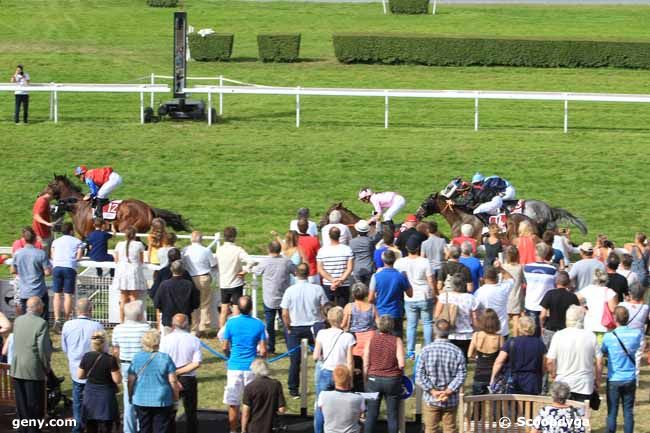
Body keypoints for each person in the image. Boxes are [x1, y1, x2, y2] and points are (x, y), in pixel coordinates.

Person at [281, 263, 328, 398]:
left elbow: (284, 313)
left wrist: (288, 326)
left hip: (295, 327)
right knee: (321, 357)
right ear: (308, 274)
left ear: (296, 274)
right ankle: (324, 384)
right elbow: (325, 308)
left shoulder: (290, 291)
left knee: (295, 360)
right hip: (315, 326)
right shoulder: (317, 289)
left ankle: (293, 389)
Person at [222, 296, 266, 433]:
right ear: (251, 308)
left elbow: (224, 347)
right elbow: (263, 350)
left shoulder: (230, 323)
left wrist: (229, 356)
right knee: (251, 402)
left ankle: (233, 430)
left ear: (238, 308)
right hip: (251, 368)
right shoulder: (259, 324)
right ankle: (247, 429)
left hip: (234, 367)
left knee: (233, 403)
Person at [62, 298, 105, 433]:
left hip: (76, 369)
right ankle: (91, 426)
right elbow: (104, 349)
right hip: (93, 370)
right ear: (90, 310)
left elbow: (65, 348)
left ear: (76, 310)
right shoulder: (97, 326)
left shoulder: (68, 325)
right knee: (93, 401)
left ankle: (78, 427)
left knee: (78, 400)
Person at [416, 319, 467, 433]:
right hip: (450, 399)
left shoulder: (426, 350)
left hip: (431, 399)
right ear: (449, 332)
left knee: (431, 429)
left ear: (434, 331)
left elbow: (419, 374)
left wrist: (432, 391)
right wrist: (449, 391)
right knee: (450, 428)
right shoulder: (457, 351)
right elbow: (462, 374)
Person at [10, 297, 51, 433]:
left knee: (22, 405)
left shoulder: (18, 320)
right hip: (33, 370)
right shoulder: (41, 323)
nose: (44, 306)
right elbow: (43, 350)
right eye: (42, 304)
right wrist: (47, 367)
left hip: (17, 368)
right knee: (34, 405)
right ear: (37, 306)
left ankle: (23, 428)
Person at [600, 306, 643, 433]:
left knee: (612, 411)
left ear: (615, 318)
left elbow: (603, 351)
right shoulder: (637, 334)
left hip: (614, 378)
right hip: (630, 377)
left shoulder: (608, 336)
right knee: (628, 411)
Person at [313, 307, 356, 433]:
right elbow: (349, 361)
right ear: (342, 319)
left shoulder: (321, 333)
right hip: (341, 373)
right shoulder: (348, 337)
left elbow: (316, 356)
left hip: (325, 371)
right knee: (342, 404)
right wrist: (351, 379)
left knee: (320, 405)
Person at [128, 329, 180, 433]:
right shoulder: (165, 358)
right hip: (162, 399)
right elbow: (173, 381)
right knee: (161, 428)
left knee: (144, 428)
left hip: (141, 398)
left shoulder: (137, 357)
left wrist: (130, 395)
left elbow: (130, 380)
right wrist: (175, 397)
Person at [546, 306, 601, 404]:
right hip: (584, 383)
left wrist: (553, 374)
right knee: (581, 416)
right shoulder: (590, 336)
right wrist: (597, 380)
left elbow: (550, 361)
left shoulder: (559, 335)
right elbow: (599, 361)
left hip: (563, 382)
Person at [112, 301, 150, 433]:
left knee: (128, 399)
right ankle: (141, 426)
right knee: (143, 397)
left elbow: (115, 351)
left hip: (125, 364)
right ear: (140, 314)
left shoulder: (118, 329)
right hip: (143, 365)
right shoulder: (146, 328)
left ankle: (129, 429)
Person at [159, 314, 202, 433]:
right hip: (188, 379)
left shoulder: (165, 340)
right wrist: (179, 372)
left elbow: (161, 361)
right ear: (187, 324)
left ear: (173, 325)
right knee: (191, 412)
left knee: (170, 411)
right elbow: (196, 363)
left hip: (169, 377)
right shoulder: (194, 340)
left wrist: (174, 373)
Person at [253, 240, 296, 354]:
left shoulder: (265, 262)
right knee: (287, 324)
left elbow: (255, 271)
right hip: (284, 298)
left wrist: (252, 265)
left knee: (270, 325)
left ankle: (271, 347)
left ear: (269, 250)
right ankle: (290, 346)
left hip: (270, 298)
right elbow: (296, 271)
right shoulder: (287, 261)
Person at [363, 315, 404, 433]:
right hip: (392, 380)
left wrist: (366, 379)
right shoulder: (397, 340)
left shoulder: (371, 339)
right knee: (392, 414)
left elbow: (366, 362)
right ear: (392, 326)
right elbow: (401, 363)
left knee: (371, 413)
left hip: (373, 379)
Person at [395, 236, 435, 356]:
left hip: (409, 297)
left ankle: (410, 350)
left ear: (406, 248)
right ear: (418, 248)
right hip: (424, 295)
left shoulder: (400, 262)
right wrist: (434, 293)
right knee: (427, 322)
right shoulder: (424, 262)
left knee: (411, 325)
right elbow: (430, 280)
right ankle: (428, 349)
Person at [490, 316, 547, 395]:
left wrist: (493, 378)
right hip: (532, 381)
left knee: (511, 406)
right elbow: (544, 366)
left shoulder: (511, 342)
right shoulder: (540, 344)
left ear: (519, 327)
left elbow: (499, 361)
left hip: (513, 380)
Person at [78, 331, 121, 433]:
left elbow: (80, 375)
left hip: (90, 395)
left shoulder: (86, 356)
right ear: (105, 342)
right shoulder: (110, 359)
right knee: (106, 427)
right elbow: (117, 380)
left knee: (91, 425)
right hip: (106, 396)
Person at [216, 226, 255, 329]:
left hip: (224, 282)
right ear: (234, 237)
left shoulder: (219, 250)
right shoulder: (237, 250)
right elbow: (251, 261)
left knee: (224, 309)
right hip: (236, 282)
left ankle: (221, 331)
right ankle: (235, 330)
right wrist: (245, 270)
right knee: (236, 309)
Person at [342, 282, 378, 390]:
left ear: (353, 294)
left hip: (355, 339)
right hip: (370, 338)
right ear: (366, 294)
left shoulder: (349, 307)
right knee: (368, 364)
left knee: (355, 363)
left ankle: (354, 383)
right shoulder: (372, 307)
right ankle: (368, 384)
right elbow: (379, 323)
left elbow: (344, 323)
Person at [435, 274, 480, 359]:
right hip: (467, 334)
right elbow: (475, 318)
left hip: (449, 332)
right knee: (463, 360)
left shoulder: (444, 297)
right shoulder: (471, 298)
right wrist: (477, 331)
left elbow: (437, 315)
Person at [369, 249, 412, 337]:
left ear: (383, 260)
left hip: (381, 312)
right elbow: (410, 294)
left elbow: (370, 298)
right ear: (395, 260)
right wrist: (406, 278)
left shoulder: (376, 276)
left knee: (381, 341)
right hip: (396, 312)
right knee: (397, 341)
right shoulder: (400, 276)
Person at [10, 228, 51, 318]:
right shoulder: (41, 253)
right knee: (42, 318)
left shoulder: (18, 253)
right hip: (39, 291)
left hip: (24, 291)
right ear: (35, 239)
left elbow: (12, 270)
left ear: (24, 239)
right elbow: (47, 272)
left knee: (26, 317)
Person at [182, 231, 217, 335]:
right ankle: (203, 326)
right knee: (205, 303)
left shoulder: (185, 250)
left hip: (190, 278)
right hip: (204, 277)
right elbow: (214, 264)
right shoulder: (206, 250)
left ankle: (194, 328)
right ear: (201, 239)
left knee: (192, 303)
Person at [51, 222, 84, 330]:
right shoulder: (77, 241)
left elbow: (52, 255)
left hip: (57, 267)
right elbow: (78, 257)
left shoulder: (56, 241)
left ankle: (57, 319)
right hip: (69, 267)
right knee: (68, 295)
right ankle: (67, 319)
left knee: (57, 295)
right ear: (71, 231)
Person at [112, 226, 148, 323]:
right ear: (135, 235)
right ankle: (135, 320)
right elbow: (141, 260)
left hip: (122, 271)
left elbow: (116, 259)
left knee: (123, 298)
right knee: (134, 298)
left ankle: (122, 321)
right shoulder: (139, 244)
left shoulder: (119, 244)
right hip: (133, 272)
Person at [154, 261, 200, 333]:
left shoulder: (164, 285)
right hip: (184, 320)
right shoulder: (189, 285)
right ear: (183, 270)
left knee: (169, 342)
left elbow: (157, 303)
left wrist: (163, 309)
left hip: (168, 320)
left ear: (171, 269)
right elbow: (196, 303)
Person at [241, 359, 286, 433]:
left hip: (254, 428)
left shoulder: (249, 387)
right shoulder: (276, 384)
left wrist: (243, 429)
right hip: (271, 426)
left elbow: (246, 413)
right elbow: (282, 409)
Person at [523, 242, 558, 337]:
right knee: (545, 335)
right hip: (546, 306)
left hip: (531, 304)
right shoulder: (553, 270)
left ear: (535, 253)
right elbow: (555, 285)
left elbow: (525, 283)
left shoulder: (527, 268)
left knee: (530, 334)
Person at [318, 365, 365, 433]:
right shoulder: (359, 398)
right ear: (349, 378)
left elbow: (322, 411)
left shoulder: (323, 395)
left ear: (333, 378)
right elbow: (360, 415)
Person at [539, 271, 580, 349]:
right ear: (568, 283)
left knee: (548, 355)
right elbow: (577, 315)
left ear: (556, 281)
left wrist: (541, 327)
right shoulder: (573, 297)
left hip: (551, 329)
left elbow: (543, 315)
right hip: (566, 330)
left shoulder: (550, 294)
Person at [468, 309, 504, 395]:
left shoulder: (476, 335)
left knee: (477, 403)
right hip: (494, 375)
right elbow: (503, 356)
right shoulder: (499, 338)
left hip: (479, 374)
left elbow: (469, 354)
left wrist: (477, 357)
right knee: (495, 404)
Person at [577, 268, 618, 343]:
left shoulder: (588, 289)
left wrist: (584, 309)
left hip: (589, 323)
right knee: (600, 348)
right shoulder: (609, 292)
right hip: (604, 325)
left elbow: (575, 298)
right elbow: (613, 309)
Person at [317, 227, 354, 307]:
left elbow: (320, 269)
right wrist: (340, 281)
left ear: (329, 236)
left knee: (328, 310)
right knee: (343, 309)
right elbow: (350, 268)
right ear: (339, 236)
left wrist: (333, 281)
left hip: (328, 283)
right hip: (343, 284)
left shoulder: (322, 251)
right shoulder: (347, 249)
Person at [619, 282, 649, 382]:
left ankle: (621, 378)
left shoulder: (622, 305)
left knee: (621, 358)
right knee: (636, 360)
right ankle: (634, 381)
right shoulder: (645, 307)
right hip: (639, 337)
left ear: (630, 293)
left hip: (623, 335)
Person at [474, 264, 513, 338]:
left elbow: (475, 312)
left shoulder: (478, 292)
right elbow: (511, 279)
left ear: (485, 278)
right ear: (497, 277)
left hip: (485, 330)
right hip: (502, 330)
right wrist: (501, 268)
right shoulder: (503, 288)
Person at [503, 245, 525, 336]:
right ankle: (516, 338)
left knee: (506, 318)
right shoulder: (520, 267)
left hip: (506, 296)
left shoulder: (504, 267)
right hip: (517, 296)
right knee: (516, 318)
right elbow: (524, 280)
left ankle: (503, 334)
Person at [349, 219, 380, 284]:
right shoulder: (371, 241)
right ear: (367, 231)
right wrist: (378, 222)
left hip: (357, 269)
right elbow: (379, 234)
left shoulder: (351, 242)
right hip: (369, 268)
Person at [296, 218, 321, 284]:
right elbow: (319, 256)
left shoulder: (295, 241)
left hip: (298, 274)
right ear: (307, 227)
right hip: (312, 272)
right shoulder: (314, 240)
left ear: (298, 227)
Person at [32, 187, 55, 256]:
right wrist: (47, 223)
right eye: (54, 196)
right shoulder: (42, 201)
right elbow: (36, 216)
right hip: (42, 236)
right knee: (43, 258)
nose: (53, 198)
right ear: (50, 194)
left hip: (46, 234)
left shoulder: (45, 201)